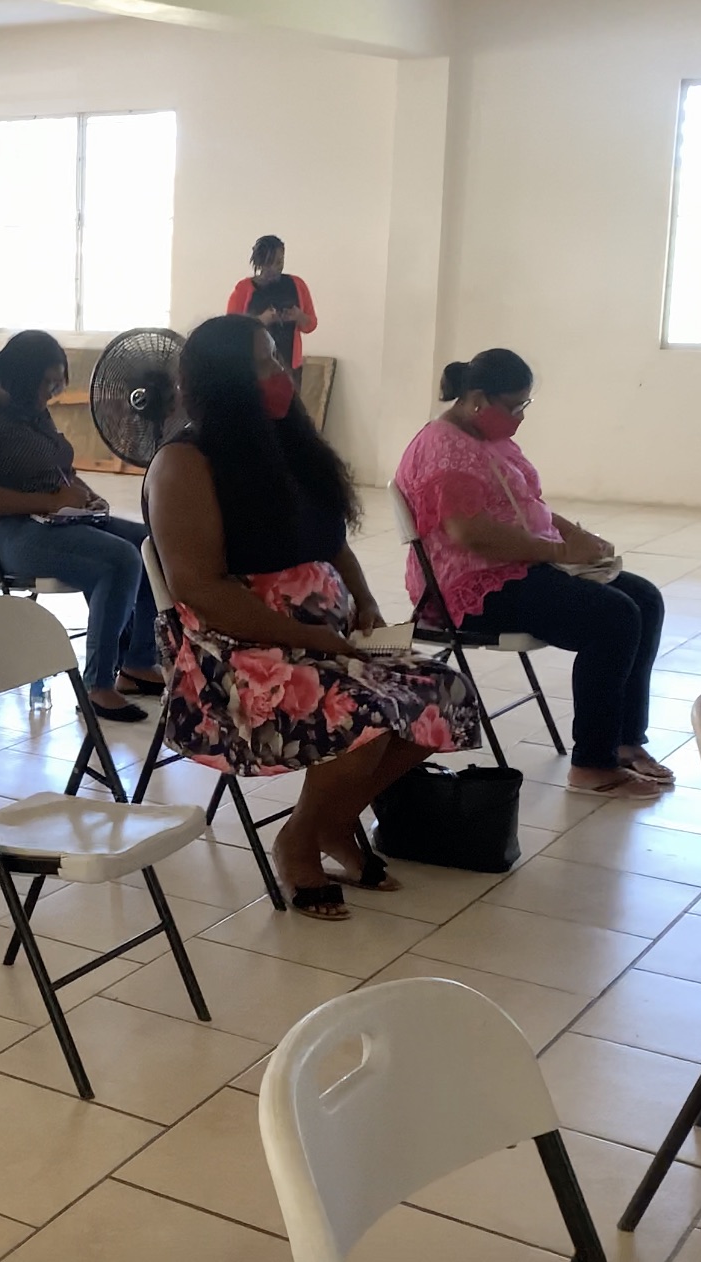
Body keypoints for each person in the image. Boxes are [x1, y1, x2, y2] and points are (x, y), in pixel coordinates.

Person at [147, 316, 484, 920]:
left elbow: (333, 545)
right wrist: (304, 635)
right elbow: (199, 586)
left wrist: (368, 607)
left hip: (327, 635)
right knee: (359, 707)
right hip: (237, 647)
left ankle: (329, 821)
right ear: (225, 380)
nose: (282, 374)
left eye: (278, 359)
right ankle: (300, 841)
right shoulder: (186, 463)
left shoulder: (289, 446)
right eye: (264, 363)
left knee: (444, 690)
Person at [394, 349, 671, 798]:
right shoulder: (442, 447)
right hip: (472, 588)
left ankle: (623, 740)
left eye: (526, 405)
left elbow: (528, 504)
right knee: (613, 617)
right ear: (479, 398)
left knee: (644, 598)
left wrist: (577, 538)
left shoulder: (489, 438)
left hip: (520, 565)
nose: (520, 417)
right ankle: (592, 764)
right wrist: (558, 549)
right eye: (515, 405)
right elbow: (471, 534)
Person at [0, 330, 161, 721]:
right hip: (11, 535)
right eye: (47, 383)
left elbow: (59, 470)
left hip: (57, 520)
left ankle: (137, 663)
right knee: (119, 559)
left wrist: (86, 494)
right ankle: (97, 685)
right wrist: (48, 502)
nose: (53, 391)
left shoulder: (33, 413)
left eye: (57, 382)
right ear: (20, 377)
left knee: (150, 545)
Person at [225, 236, 317, 371]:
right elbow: (230, 330)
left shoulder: (297, 285)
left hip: (290, 365)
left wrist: (299, 316)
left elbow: (311, 324)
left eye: (279, 262)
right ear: (260, 262)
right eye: (269, 263)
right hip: (253, 367)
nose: (275, 268)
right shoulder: (244, 289)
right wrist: (260, 320)